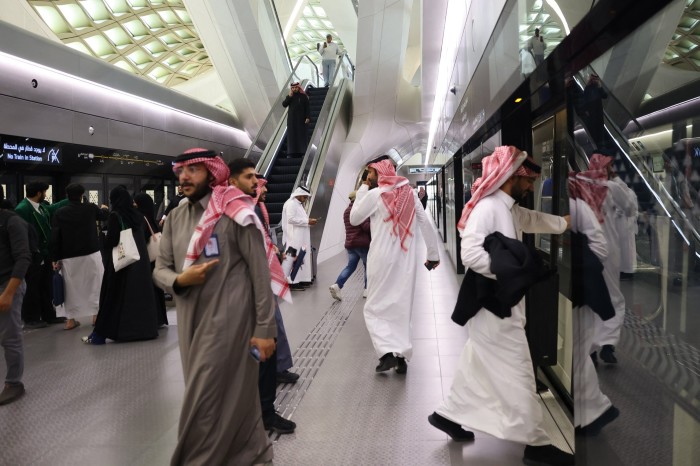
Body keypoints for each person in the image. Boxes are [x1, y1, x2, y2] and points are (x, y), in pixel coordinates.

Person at [428, 146, 573, 466]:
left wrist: (564, 224)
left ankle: (448, 416)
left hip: (494, 306)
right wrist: (511, 273)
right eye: (528, 179)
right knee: (519, 371)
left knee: (477, 363)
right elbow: (470, 254)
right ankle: (536, 443)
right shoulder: (488, 208)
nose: (532, 185)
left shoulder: (506, 207)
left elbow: (532, 218)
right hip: (495, 307)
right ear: (512, 176)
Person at [154, 148, 288, 465]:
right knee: (236, 401)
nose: (184, 177)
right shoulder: (174, 218)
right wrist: (180, 279)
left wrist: (265, 330)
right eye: (181, 170)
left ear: (212, 173)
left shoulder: (237, 212)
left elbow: (259, 273)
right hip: (190, 327)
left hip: (232, 325)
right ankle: (254, 456)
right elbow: (160, 269)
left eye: (193, 170)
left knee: (203, 405)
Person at [350, 157, 440, 374]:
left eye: (370, 173)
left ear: (377, 174)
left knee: (374, 307)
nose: (369, 176)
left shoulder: (376, 194)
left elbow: (354, 218)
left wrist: (363, 187)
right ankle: (401, 358)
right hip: (405, 262)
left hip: (381, 260)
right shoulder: (409, 193)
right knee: (401, 308)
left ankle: (387, 353)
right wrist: (433, 254)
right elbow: (424, 222)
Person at [227, 158, 297, 435]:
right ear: (232, 181)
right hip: (238, 301)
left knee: (263, 359)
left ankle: (266, 412)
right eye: (249, 178)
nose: (256, 184)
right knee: (247, 361)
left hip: (259, 296)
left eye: (256, 179)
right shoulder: (226, 213)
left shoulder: (249, 210)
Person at [568, 169, 620, 436]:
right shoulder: (572, 205)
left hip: (582, 291)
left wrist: (578, 267)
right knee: (577, 352)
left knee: (578, 350)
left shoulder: (578, 207)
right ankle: (593, 411)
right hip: (572, 292)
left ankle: (595, 411)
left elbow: (600, 248)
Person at [83, 186, 159, 345]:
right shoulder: (138, 215)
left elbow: (112, 240)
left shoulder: (115, 216)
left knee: (114, 296)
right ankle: (143, 330)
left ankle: (104, 334)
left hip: (123, 264)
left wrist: (101, 239)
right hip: (140, 263)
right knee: (139, 297)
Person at [251, 174, 299, 385]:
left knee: (274, 323)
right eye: (262, 187)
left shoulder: (257, 210)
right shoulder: (248, 211)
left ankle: (277, 367)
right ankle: (274, 369)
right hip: (257, 277)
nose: (266, 191)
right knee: (271, 323)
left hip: (265, 271)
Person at [587, 154, 635, 365]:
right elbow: (630, 208)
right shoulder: (612, 187)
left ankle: (590, 349)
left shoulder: (583, 187)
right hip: (609, 251)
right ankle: (607, 345)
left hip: (589, 252)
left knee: (590, 300)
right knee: (614, 298)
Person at [50, 184, 109, 331]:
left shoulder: (60, 213)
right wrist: (105, 209)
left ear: (67, 195)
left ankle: (70, 320)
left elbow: (55, 237)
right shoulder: (90, 208)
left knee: (70, 288)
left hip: (68, 255)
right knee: (95, 284)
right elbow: (104, 216)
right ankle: (95, 316)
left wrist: (55, 258)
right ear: (82, 194)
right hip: (91, 252)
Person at [15, 181, 69, 328]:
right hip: (33, 254)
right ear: (39, 193)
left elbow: (53, 208)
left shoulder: (41, 208)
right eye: (44, 192)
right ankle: (31, 318)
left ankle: (48, 315)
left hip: (45, 254)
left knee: (46, 285)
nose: (45, 194)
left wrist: (71, 197)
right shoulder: (22, 209)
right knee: (32, 287)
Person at [0, 186, 31, 406]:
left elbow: (23, 258)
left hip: (8, 284)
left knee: (9, 336)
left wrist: (8, 293)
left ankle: (13, 382)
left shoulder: (12, 222)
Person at [134, 192, 168, 327]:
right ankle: (160, 318)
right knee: (157, 289)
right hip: (156, 260)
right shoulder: (152, 218)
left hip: (148, 260)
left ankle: (154, 318)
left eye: (136, 202)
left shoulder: (141, 219)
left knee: (150, 290)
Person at [330, 191, 370, 301]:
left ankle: (337, 285)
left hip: (350, 244)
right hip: (362, 243)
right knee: (368, 266)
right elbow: (366, 227)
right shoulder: (359, 210)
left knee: (350, 266)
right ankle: (367, 290)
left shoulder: (346, 211)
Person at [281, 186, 318, 290]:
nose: (306, 199)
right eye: (305, 197)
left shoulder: (298, 204)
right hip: (294, 237)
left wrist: (309, 220)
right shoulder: (291, 204)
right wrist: (307, 221)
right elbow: (291, 219)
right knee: (294, 259)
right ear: (300, 195)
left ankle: (300, 280)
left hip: (300, 237)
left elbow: (301, 218)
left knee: (301, 259)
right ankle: (292, 283)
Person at [282, 82, 310, 158]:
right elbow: (284, 104)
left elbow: (307, 108)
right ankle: (291, 153)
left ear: (299, 88)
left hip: (301, 120)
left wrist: (308, 117)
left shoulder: (304, 97)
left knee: (301, 136)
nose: (294, 89)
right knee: (292, 136)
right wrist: (289, 97)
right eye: (293, 88)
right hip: (292, 120)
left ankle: (302, 152)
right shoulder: (290, 96)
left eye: (296, 87)